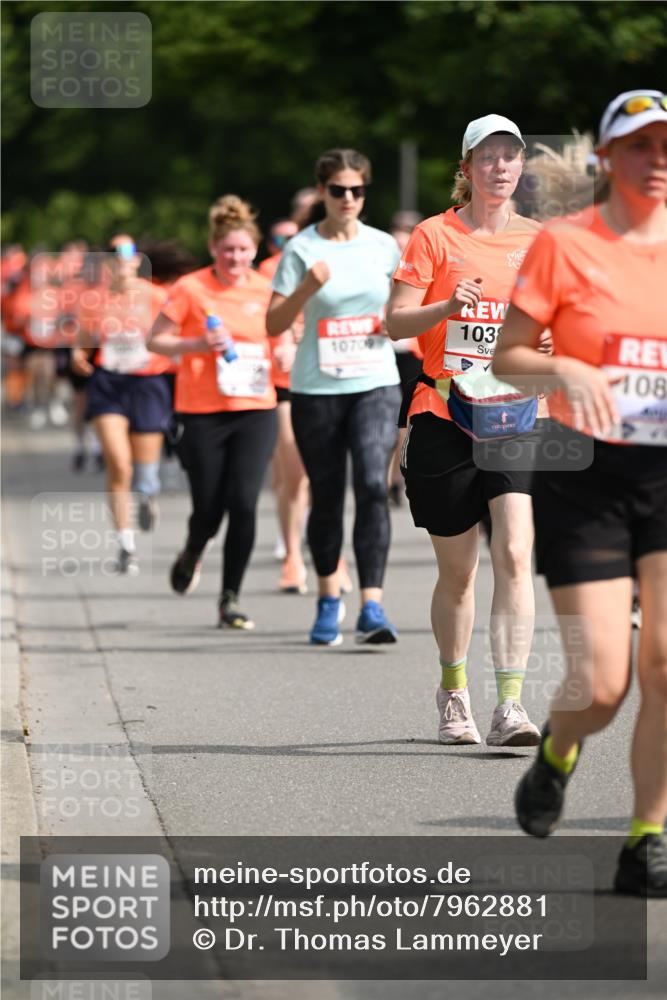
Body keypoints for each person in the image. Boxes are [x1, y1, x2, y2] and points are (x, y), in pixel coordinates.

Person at [493, 90, 667, 895]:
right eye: (638, 145)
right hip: (584, 470)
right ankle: (559, 750)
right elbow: (508, 357)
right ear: (605, 158)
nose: (656, 159)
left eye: (666, 144)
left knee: (664, 666)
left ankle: (645, 838)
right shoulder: (565, 245)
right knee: (601, 685)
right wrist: (563, 365)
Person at [386, 114, 545, 746]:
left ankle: (511, 704)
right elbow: (396, 324)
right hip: (443, 412)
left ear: (521, 168)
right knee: (460, 572)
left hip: (516, 413)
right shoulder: (433, 236)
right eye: (488, 157)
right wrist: (448, 307)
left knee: (513, 551)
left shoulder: (541, 242)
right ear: (467, 168)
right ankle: (454, 692)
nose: (500, 168)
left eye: (511, 157)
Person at [267, 148, 401, 645]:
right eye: (339, 190)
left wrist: (394, 323)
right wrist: (305, 289)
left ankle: (372, 605)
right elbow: (274, 323)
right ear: (322, 192)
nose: (349, 199)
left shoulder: (385, 246)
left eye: (358, 190)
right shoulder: (301, 249)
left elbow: (404, 308)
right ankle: (328, 598)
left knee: (370, 483)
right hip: (316, 388)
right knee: (326, 494)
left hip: (375, 381)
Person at [148, 195, 277, 629]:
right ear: (213, 249)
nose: (235, 257)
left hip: (255, 408)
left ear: (254, 250)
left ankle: (230, 599)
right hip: (201, 410)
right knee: (209, 508)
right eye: (228, 250)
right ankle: (193, 549)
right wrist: (196, 345)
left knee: (243, 503)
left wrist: (289, 352)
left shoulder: (265, 289)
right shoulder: (191, 288)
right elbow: (156, 341)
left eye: (243, 250)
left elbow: (283, 339)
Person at [72, 239, 170, 572]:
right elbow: (84, 340)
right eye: (114, 254)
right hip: (109, 383)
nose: (121, 260)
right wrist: (77, 355)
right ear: (107, 262)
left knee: (144, 470)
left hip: (147, 383)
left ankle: (148, 494)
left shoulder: (155, 296)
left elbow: (174, 333)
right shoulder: (95, 299)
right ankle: (126, 545)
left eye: (127, 253)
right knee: (119, 464)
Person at [259, 219, 310, 592]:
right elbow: (258, 322)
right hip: (282, 381)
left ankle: (312, 541)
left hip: (324, 378)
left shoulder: (323, 261)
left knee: (312, 474)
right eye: (281, 238)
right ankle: (291, 549)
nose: (287, 243)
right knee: (290, 471)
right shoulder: (265, 271)